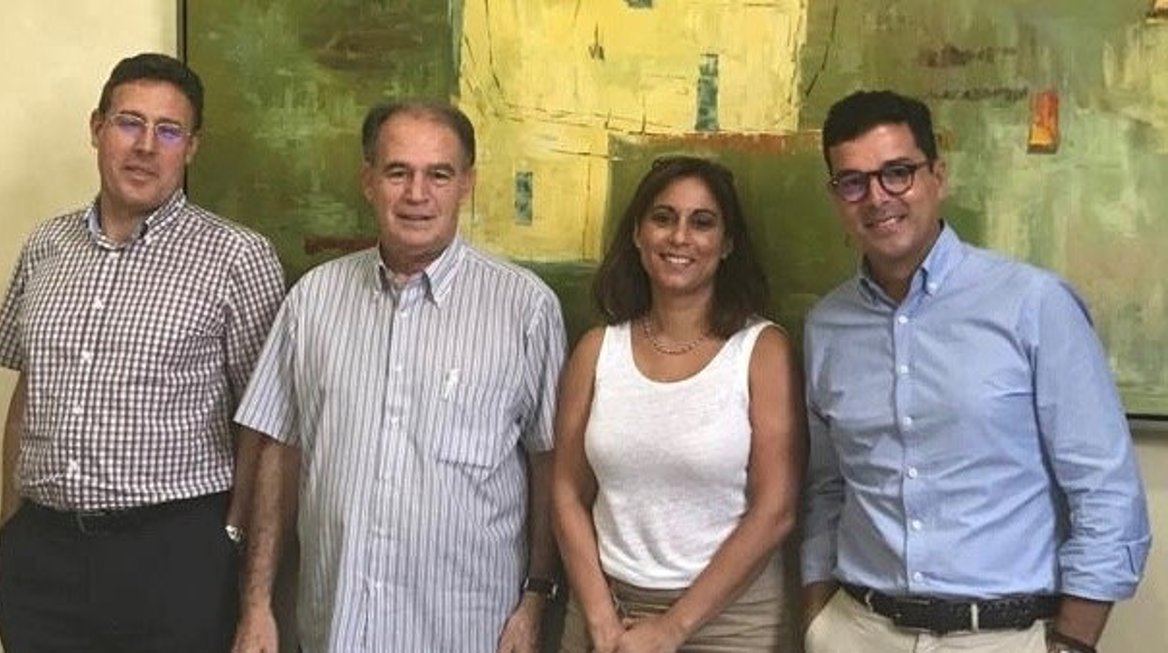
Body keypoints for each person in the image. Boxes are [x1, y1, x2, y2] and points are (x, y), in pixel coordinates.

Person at [801, 90, 1152, 653]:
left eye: (898, 173)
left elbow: (1106, 493)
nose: (877, 197)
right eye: (853, 182)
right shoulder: (826, 326)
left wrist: (1072, 643)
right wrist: (818, 619)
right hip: (858, 629)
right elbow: (827, 489)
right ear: (836, 197)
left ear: (938, 176)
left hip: (1001, 635)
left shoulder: (1034, 304)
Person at [230, 100, 567, 652]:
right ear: (368, 182)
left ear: (467, 184)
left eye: (439, 174)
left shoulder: (526, 309)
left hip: (469, 632)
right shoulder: (312, 300)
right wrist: (257, 604)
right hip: (338, 628)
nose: (417, 194)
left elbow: (550, 466)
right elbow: (278, 453)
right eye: (397, 172)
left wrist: (536, 600)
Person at [0, 53, 286, 652]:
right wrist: (10, 528)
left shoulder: (237, 258)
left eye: (168, 131)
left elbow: (271, 428)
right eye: (129, 123)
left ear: (191, 148)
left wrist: (238, 555)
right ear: (97, 128)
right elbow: (28, 392)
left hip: (173, 557)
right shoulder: (46, 245)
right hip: (43, 558)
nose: (146, 146)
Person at [552, 156, 804, 652]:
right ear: (637, 234)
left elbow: (776, 508)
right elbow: (565, 491)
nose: (680, 237)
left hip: (730, 621)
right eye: (663, 218)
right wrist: (600, 619)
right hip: (606, 609)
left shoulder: (761, 351)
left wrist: (671, 630)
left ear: (727, 243)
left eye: (702, 222)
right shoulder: (597, 350)